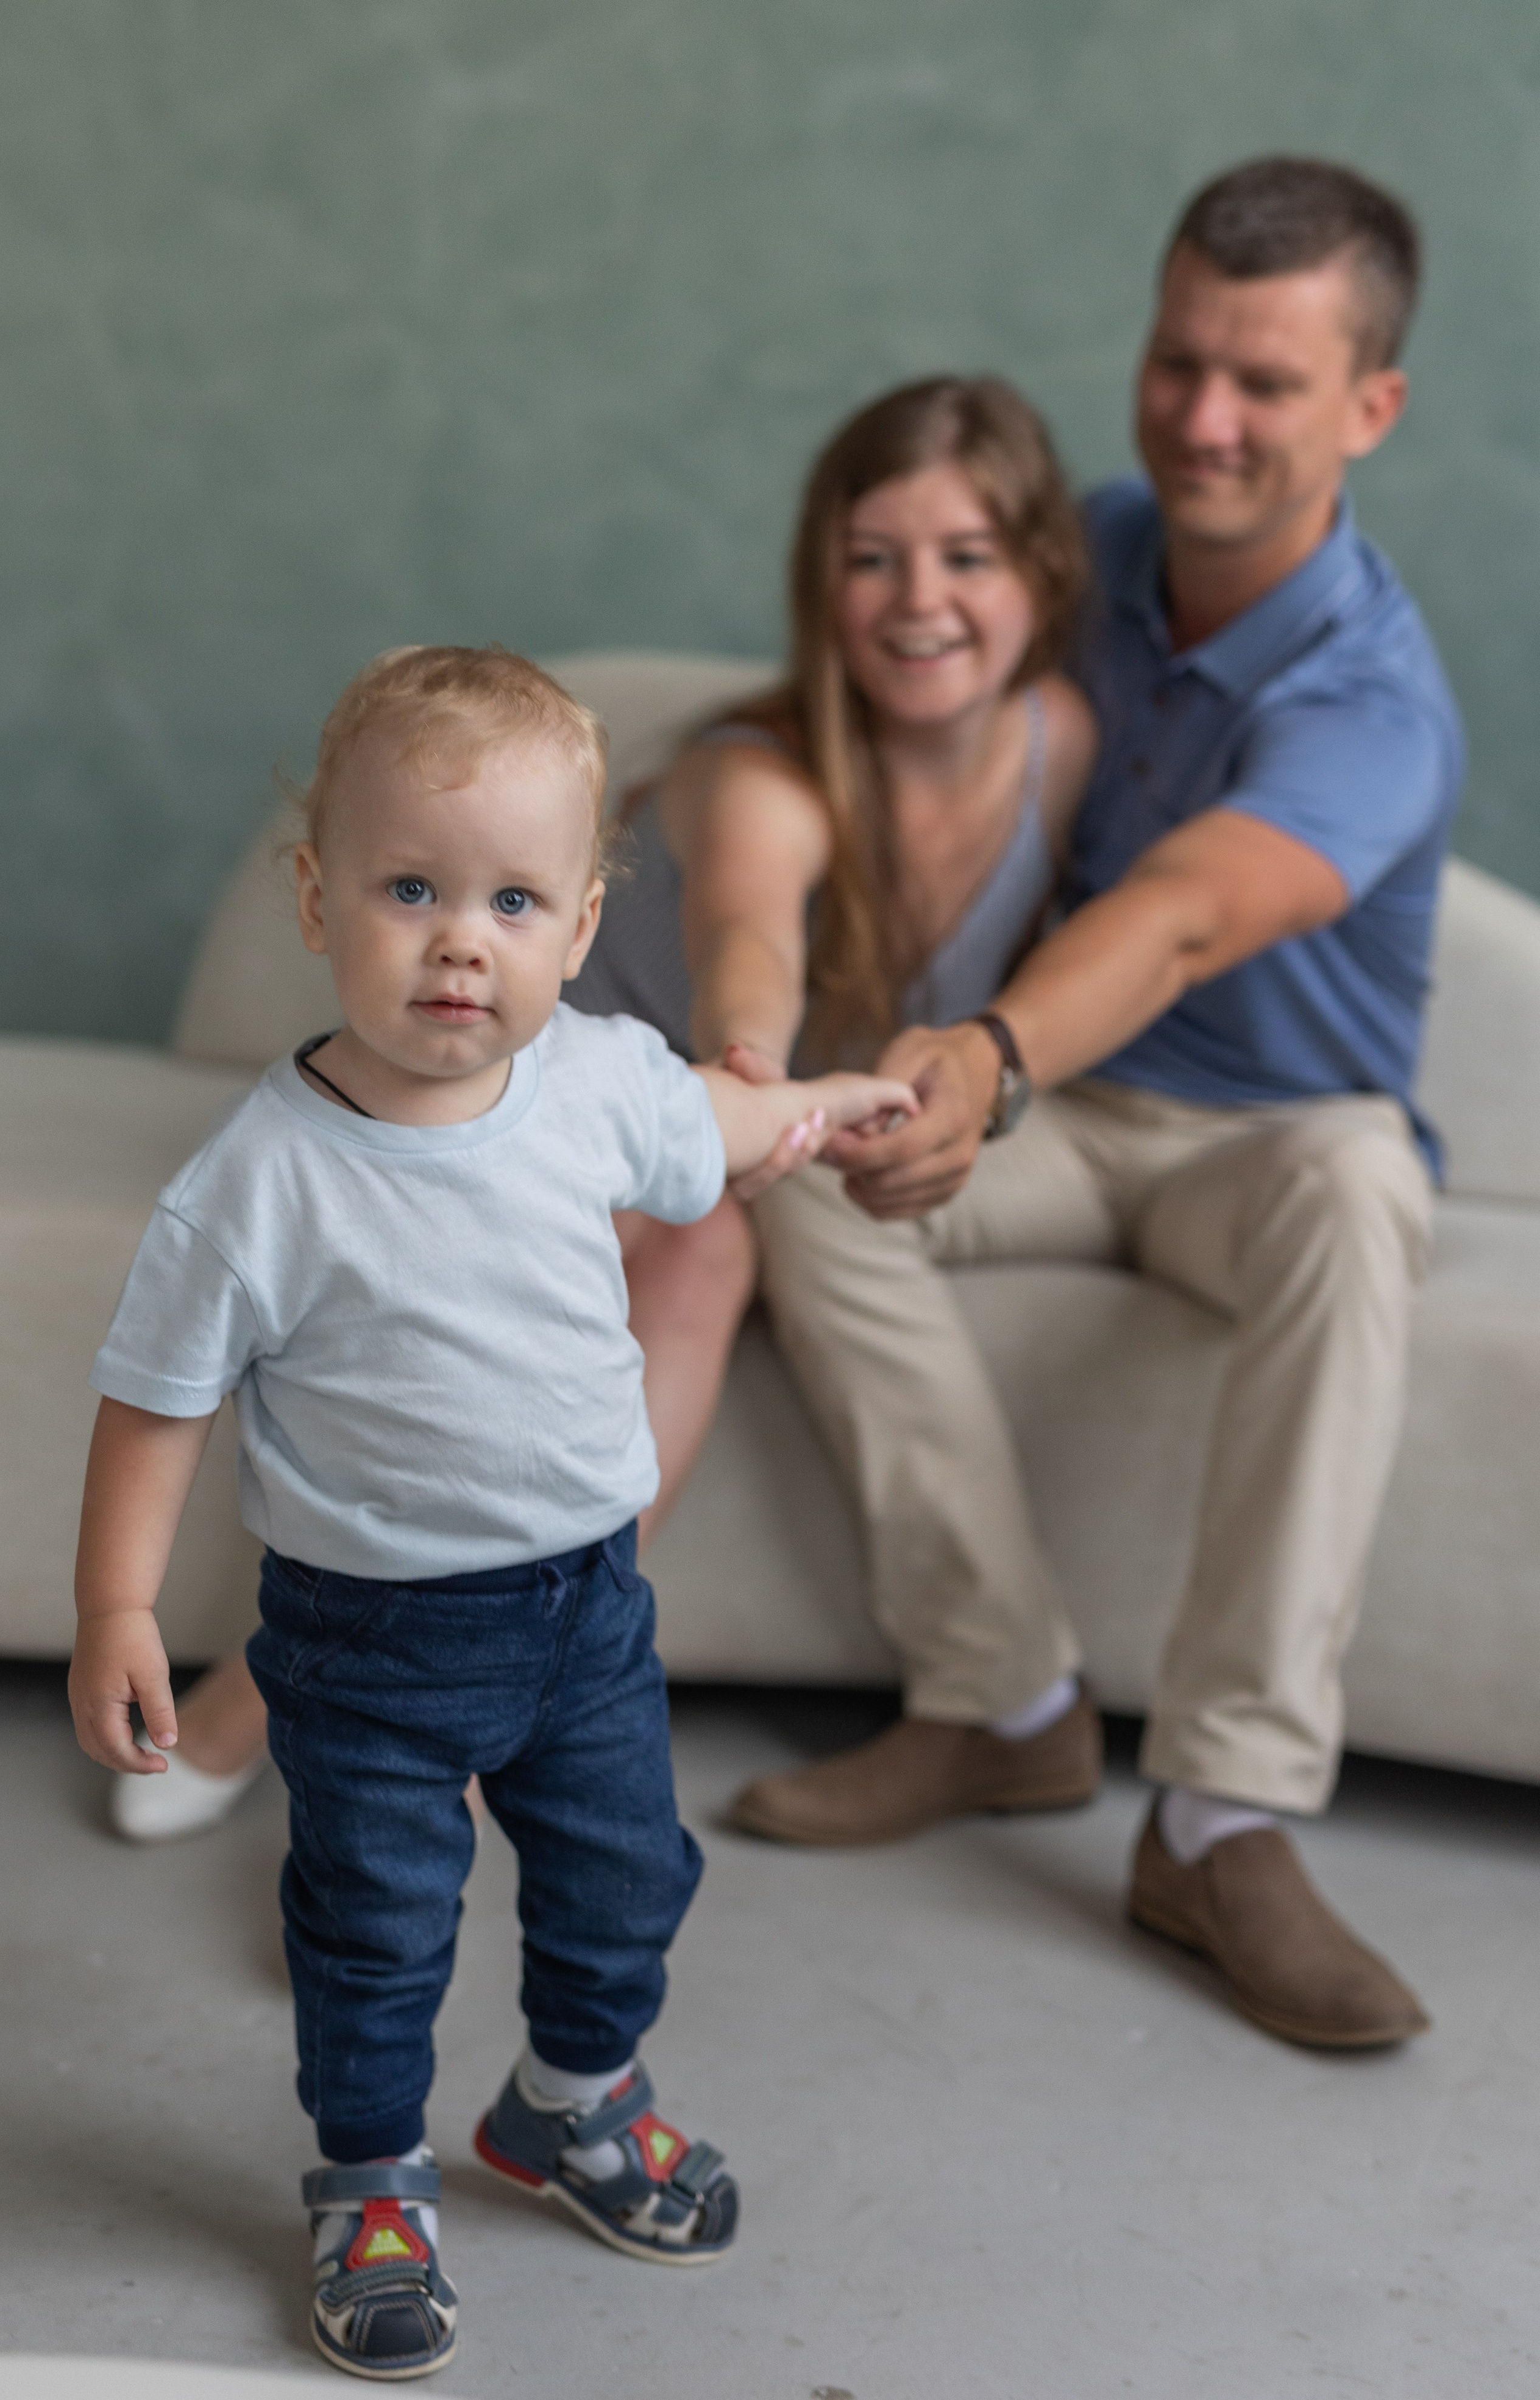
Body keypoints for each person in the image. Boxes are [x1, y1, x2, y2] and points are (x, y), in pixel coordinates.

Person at [67, 645, 915, 2380]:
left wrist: (822, 1106)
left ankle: (573, 2101)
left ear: (585, 922)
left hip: (589, 1614)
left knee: (628, 1883)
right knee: (374, 1935)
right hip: (368, 1644)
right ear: (317, 900)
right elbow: (156, 1401)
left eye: (515, 899)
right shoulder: (259, 1178)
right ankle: (373, 2180)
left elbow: (719, 1126)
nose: (464, 937)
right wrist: (118, 1611)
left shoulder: (598, 1080)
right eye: (410, 888)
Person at [107, 368, 1102, 1841]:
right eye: (872, 556)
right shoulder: (755, 768)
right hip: (565, 1068)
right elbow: (745, 943)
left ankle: (460, 1701)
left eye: (966, 556)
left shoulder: (1061, 748)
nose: (917, 598)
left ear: (1041, 574)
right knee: (650, 1252)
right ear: (820, 578)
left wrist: (798, 1111)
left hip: (705, 1126)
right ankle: (327, 1696)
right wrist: (753, 1065)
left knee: (703, 1238)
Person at [731, 157, 1463, 2054]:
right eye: (1176, 360)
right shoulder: (1095, 548)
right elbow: (887, 682)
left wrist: (981, 1052)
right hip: (1063, 1110)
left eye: (1268, 383)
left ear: (1369, 408)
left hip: (1255, 1134)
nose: (1204, 418)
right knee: (807, 1165)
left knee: (1360, 1188)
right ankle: (1003, 1705)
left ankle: (1223, 1818)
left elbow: (1185, 913)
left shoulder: (1372, 691)